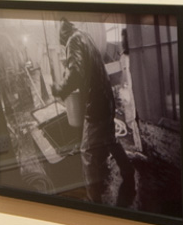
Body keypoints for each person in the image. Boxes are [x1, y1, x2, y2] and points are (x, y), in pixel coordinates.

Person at [51, 18, 135, 207]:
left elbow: (75, 74)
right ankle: (128, 171)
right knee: (109, 140)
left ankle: (93, 200)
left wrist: (60, 90)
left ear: (62, 34)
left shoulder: (73, 41)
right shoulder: (85, 36)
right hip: (106, 99)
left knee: (87, 151)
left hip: (96, 103)